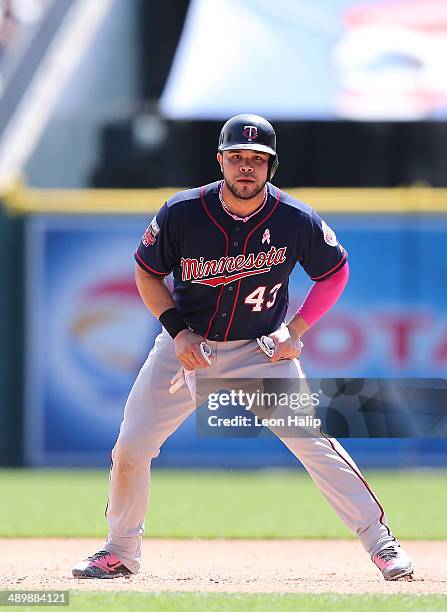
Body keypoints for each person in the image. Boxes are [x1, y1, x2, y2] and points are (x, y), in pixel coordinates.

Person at [72, 114, 413, 581]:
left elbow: (334, 273)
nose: (246, 167)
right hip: (188, 348)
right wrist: (177, 330)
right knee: (132, 445)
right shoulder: (183, 211)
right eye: (237, 158)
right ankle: (120, 551)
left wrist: (298, 329)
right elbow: (147, 272)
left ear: (272, 165)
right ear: (220, 160)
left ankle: (382, 545)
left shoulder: (295, 218)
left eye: (257, 159)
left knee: (313, 444)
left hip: (260, 353)